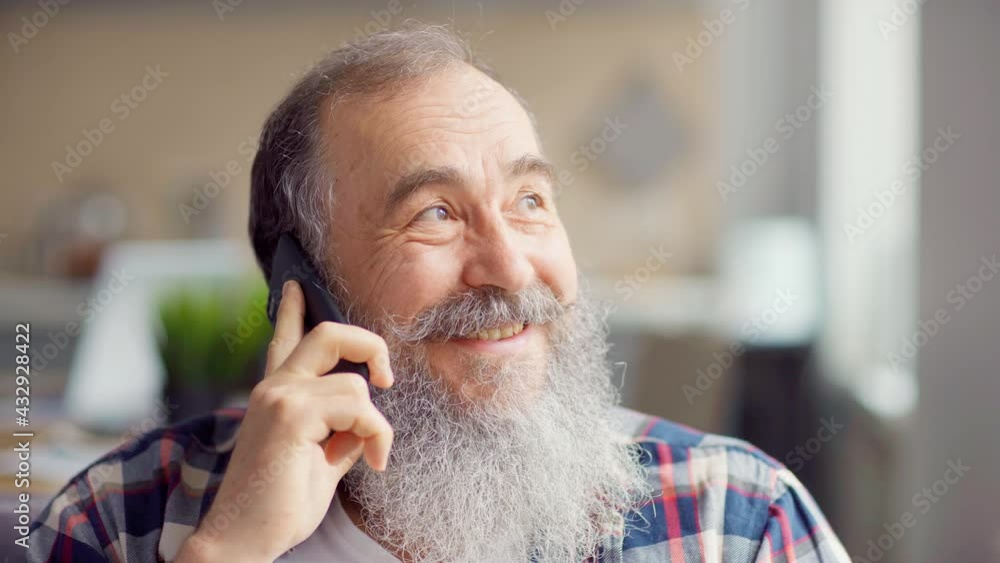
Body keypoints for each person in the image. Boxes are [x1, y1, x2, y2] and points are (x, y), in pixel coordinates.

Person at [28, 22, 850, 563]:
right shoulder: (117, 520)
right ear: (304, 288)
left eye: (531, 201)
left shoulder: (736, 521)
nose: (511, 266)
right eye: (434, 214)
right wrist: (226, 551)